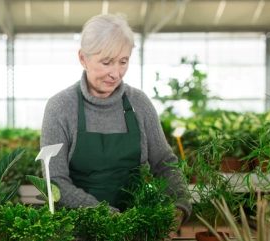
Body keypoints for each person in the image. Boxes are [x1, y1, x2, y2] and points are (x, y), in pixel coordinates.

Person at [40, 14, 191, 226]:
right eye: (106, 62)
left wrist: (179, 205)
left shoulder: (139, 104)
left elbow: (165, 164)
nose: (115, 73)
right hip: (77, 229)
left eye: (123, 62)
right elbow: (55, 181)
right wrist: (106, 216)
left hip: (137, 227)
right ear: (83, 58)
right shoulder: (60, 107)